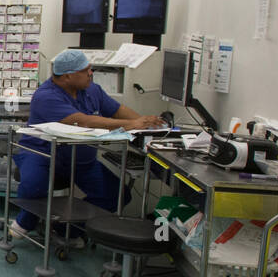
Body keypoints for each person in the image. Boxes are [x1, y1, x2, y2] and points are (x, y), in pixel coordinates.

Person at [10, 49, 164, 239]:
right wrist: (131, 125)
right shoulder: (45, 96)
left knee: (117, 194)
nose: (91, 73)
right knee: (34, 185)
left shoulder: (92, 90)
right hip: (43, 154)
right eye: (86, 70)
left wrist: (146, 124)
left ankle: (67, 230)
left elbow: (117, 110)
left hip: (81, 159)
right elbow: (82, 121)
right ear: (67, 76)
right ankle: (26, 221)